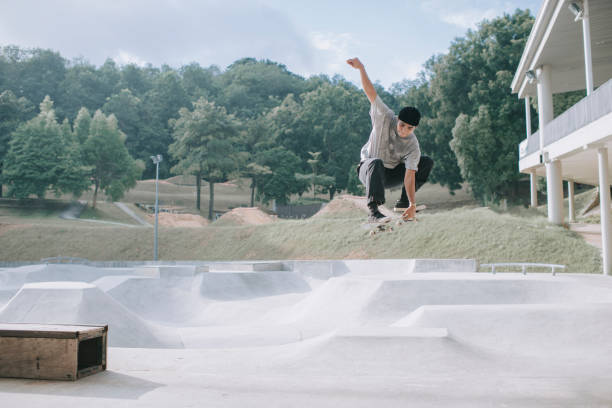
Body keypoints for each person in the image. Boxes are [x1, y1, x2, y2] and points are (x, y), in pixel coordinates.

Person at [347, 57, 433, 223]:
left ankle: (403, 204)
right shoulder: (385, 117)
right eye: (402, 125)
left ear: (415, 128)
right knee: (376, 162)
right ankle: (373, 213)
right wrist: (361, 68)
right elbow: (370, 92)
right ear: (397, 119)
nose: (404, 131)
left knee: (426, 162)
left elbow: (409, 175)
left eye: (409, 128)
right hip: (369, 170)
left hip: (391, 175)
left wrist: (412, 203)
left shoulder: (413, 145)